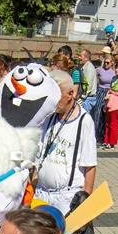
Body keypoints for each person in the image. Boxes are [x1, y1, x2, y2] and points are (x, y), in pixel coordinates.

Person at [34, 69, 97, 216]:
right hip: (41, 194)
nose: (53, 101)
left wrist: (84, 204)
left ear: (70, 94)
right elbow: (39, 152)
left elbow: (90, 166)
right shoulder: (49, 117)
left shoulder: (84, 121)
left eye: (57, 96)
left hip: (66, 198)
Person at [103, 60, 118, 150]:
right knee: (108, 123)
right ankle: (106, 141)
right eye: (116, 68)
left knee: (113, 124)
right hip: (110, 101)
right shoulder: (114, 78)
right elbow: (110, 89)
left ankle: (112, 142)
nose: (116, 70)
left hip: (117, 102)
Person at [94, 47, 116, 147]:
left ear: (112, 63)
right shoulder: (99, 70)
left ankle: (104, 137)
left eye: (108, 62)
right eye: (105, 62)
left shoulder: (114, 73)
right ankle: (96, 136)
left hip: (109, 93)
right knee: (97, 114)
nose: (106, 64)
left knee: (106, 116)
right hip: (100, 92)